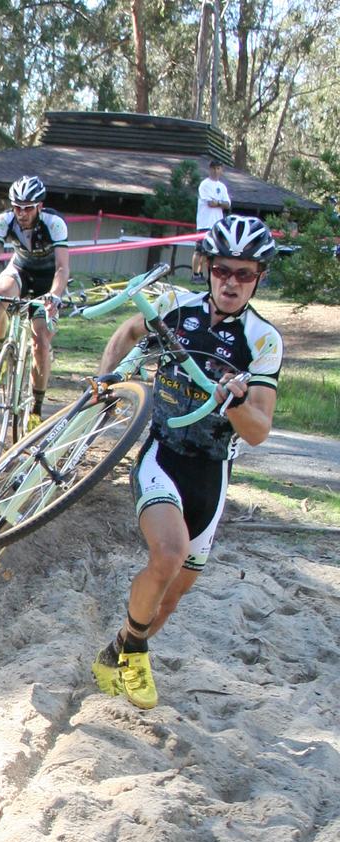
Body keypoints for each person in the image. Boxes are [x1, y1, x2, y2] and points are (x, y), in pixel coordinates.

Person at [91, 216, 282, 711]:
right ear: (207, 268)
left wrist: (234, 402)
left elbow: (259, 430)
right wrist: (105, 381)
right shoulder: (175, 306)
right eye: (223, 270)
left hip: (213, 475)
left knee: (169, 600)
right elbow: (129, 329)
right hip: (162, 454)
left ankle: (117, 650)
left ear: (259, 276)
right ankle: (136, 654)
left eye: (245, 273)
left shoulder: (263, 340)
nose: (232, 282)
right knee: (168, 554)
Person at [0, 175, 70, 430]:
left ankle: (36, 407)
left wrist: (55, 296)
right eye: (17, 207)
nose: (22, 213)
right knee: (0, 292)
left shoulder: (54, 223)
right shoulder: (5, 221)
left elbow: (62, 267)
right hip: (21, 269)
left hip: (49, 279)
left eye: (27, 208)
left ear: (39, 206)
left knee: (41, 342)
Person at [192, 158, 231, 281]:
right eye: (213, 168)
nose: (216, 171)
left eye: (218, 168)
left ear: (221, 170)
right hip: (204, 223)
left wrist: (218, 202)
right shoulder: (204, 184)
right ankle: (195, 274)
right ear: (210, 169)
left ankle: (206, 275)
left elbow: (227, 204)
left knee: (211, 252)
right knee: (199, 250)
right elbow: (210, 203)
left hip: (217, 224)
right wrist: (220, 203)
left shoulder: (222, 187)